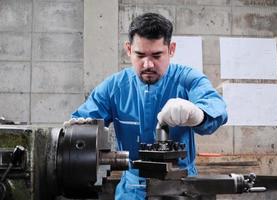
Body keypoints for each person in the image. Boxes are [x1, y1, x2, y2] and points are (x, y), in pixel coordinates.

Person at [67, 12, 227, 200]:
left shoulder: (188, 79)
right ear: (128, 49)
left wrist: (196, 114)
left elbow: (217, 108)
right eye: (140, 55)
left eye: (157, 55)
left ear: (171, 49)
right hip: (132, 189)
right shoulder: (114, 87)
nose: (148, 64)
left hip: (180, 186)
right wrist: (79, 128)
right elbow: (81, 124)